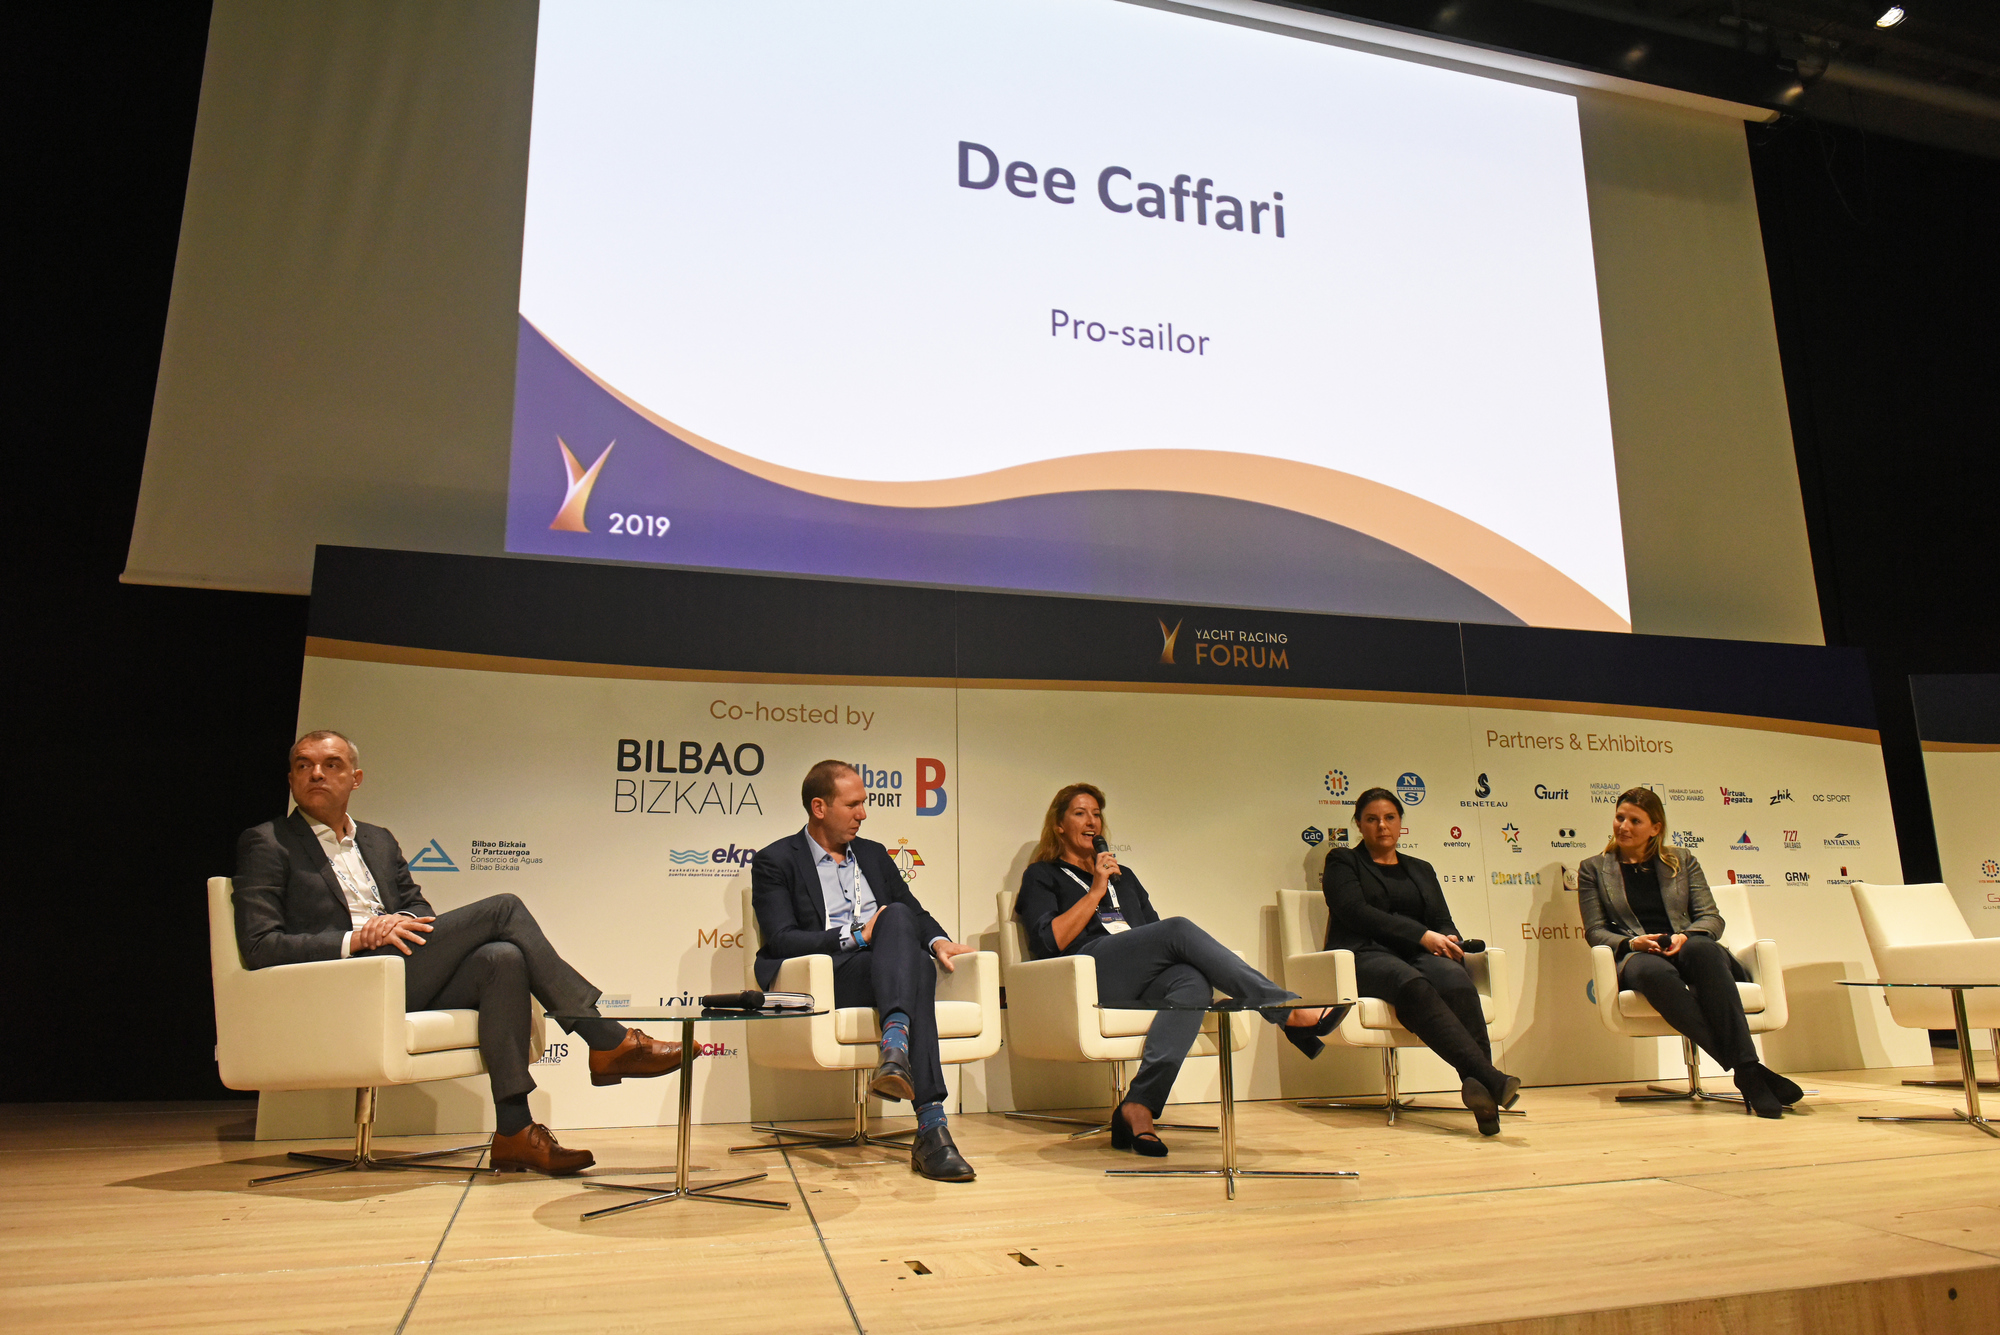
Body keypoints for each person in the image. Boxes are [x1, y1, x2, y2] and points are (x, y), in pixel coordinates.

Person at [233, 730, 682, 1175]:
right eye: (303, 765)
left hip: (401, 971)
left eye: (331, 764)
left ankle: (515, 1131)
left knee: (502, 958)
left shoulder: (378, 841)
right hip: (346, 981)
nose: (316, 773)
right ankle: (606, 1039)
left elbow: (419, 910)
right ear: (291, 779)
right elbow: (259, 945)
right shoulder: (268, 842)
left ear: (356, 778)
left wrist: (399, 921)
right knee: (504, 908)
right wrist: (358, 938)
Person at [1013, 783, 1342, 1158]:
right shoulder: (1043, 874)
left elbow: (1154, 936)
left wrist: (1113, 886)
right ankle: (1284, 1009)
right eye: (1079, 813)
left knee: (1192, 982)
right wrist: (1095, 891)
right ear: (1059, 825)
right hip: (1086, 971)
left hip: (1135, 975)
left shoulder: (1124, 876)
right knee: (1179, 929)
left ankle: (1139, 1106)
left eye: (1096, 814)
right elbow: (1049, 942)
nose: (1091, 822)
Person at [750, 760, 981, 1182]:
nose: (863, 813)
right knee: (913, 964)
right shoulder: (776, 860)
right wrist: (855, 935)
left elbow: (912, 911)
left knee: (907, 936)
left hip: (886, 967)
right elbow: (781, 939)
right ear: (819, 807)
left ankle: (896, 1048)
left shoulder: (873, 854)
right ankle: (930, 1125)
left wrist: (938, 941)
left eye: (864, 803)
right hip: (829, 972)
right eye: (853, 804)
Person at [1576, 786, 1805, 1119]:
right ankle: (1749, 1070)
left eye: (1635, 821)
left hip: (1689, 947)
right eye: (1619, 817)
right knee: (1654, 972)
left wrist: (1686, 936)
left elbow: (1711, 917)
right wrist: (1633, 943)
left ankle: (1748, 1072)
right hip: (1640, 955)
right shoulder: (1593, 869)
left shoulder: (1682, 860)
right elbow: (1595, 931)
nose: (1623, 826)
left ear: (1655, 827)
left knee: (1703, 950)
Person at [1323, 787, 1522, 1134]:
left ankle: (1483, 1095)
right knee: (1411, 985)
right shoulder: (1343, 861)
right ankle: (1490, 1079)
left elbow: (1441, 919)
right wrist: (1421, 935)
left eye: (1389, 817)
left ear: (1400, 822)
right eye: (1371, 819)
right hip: (1365, 952)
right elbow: (1356, 912)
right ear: (1358, 824)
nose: (1381, 826)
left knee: (1458, 983)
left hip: (1419, 952)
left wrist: (1449, 939)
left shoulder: (1421, 868)